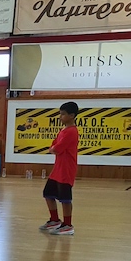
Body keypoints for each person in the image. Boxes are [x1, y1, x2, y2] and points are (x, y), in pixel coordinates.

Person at [40, 101, 79, 236]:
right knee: (48, 193)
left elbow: (57, 148)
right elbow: (54, 144)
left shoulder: (72, 132)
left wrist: (53, 149)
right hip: (58, 168)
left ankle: (68, 225)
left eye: (63, 114)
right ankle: (55, 220)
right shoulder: (63, 130)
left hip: (66, 169)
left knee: (65, 198)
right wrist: (53, 148)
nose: (60, 117)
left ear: (71, 115)